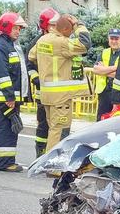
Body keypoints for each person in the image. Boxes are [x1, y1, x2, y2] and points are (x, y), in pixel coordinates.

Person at [28, 14, 92, 151]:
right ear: (64, 29)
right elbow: (85, 43)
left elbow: (31, 56)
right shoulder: (61, 42)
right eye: (70, 31)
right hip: (60, 98)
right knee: (59, 132)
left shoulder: (43, 39)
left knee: (53, 129)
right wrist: (78, 25)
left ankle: (50, 163)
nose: (71, 35)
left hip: (47, 95)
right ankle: (54, 166)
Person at [0, 12, 29, 173]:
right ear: (7, 27)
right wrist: (9, 96)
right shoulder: (1, 46)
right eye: (16, 28)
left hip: (6, 95)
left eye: (19, 28)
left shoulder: (7, 45)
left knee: (3, 126)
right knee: (8, 128)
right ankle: (5, 162)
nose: (18, 31)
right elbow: (1, 73)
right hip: (5, 96)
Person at [26, 7, 59, 158]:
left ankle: (53, 156)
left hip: (59, 94)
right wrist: (37, 80)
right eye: (52, 25)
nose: (55, 28)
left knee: (57, 126)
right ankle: (40, 155)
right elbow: (29, 65)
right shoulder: (37, 43)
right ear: (45, 26)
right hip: (43, 92)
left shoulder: (60, 41)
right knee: (43, 125)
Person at [92, 28, 120, 121]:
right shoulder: (104, 52)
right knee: (101, 120)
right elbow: (96, 70)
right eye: (112, 38)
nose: (114, 41)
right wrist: (115, 68)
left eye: (116, 39)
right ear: (108, 39)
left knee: (118, 120)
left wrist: (104, 70)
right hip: (104, 93)